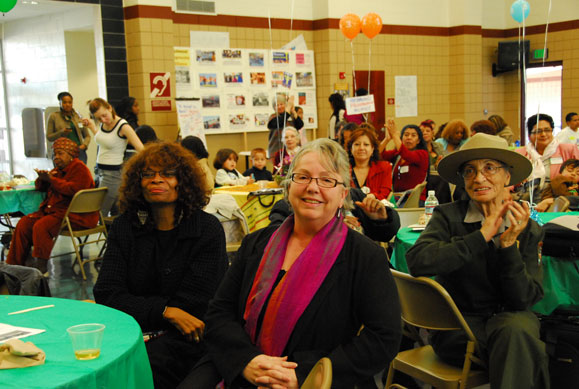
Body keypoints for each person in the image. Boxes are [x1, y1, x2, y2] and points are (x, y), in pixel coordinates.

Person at [182, 138, 401, 388]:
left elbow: (384, 337)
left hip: (318, 378)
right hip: (240, 366)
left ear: (342, 195)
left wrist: (304, 374)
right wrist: (247, 361)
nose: (312, 187)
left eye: (327, 180)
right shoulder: (257, 243)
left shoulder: (363, 256)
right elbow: (219, 312)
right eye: (303, 177)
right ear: (288, 188)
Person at [406, 133, 549, 389]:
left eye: (489, 168)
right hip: (458, 327)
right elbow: (418, 261)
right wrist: (482, 236)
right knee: (521, 341)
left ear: (508, 176)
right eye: (469, 171)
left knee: (515, 330)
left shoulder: (526, 228)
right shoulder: (448, 216)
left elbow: (523, 299)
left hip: (509, 322)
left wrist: (507, 248)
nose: (479, 178)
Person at [93, 142, 228, 389]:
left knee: (141, 371)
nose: (157, 180)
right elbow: (107, 293)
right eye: (148, 174)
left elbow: (194, 307)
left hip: (188, 342)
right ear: (138, 182)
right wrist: (166, 311)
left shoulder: (206, 230)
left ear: (183, 181)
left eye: (167, 173)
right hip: (131, 334)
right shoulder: (126, 227)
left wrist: (153, 310)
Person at [6, 138, 98, 275]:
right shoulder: (58, 170)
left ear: (71, 155)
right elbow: (42, 189)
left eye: (60, 153)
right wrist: (42, 179)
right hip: (55, 213)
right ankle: (13, 265)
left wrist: (52, 180)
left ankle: (41, 266)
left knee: (41, 226)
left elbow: (73, 189)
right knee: (23, 223)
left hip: (75, 216)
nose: (56, 158)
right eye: (55, 154)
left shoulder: (80, 169)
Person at [84, 98, 144, 217]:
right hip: (100, 171)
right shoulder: (103, 124)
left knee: (101, 213)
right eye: (99, 118)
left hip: (113, 174)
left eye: (104, 115)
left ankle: (112, 234)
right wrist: (92, 127)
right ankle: (116, 233)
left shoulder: (123, 126)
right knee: (114, 211)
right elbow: (105, 141)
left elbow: (141, 149)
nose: (103, 120)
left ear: (110, 108)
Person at [515, 113, 579, 203]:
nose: (543, 134)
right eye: (538, 131)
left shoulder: (568, 149)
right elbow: (509, 181)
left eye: (547, 130)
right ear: (529, 135)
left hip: (559, 201)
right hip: (525, 201)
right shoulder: (520, 153)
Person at [380, 120, 429, 202]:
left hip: (414, 199)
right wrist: (387, 139)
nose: (409, 137)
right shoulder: (397, 154)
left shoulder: (422, 154)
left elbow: (407, 155)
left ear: (418, 140)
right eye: (406, 135)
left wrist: (395, 135)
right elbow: (378, 154)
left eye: (413, 135)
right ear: (402, 138)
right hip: (396, 198)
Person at [46, 92, 91, 164]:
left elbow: (87, 136)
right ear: (60, 103)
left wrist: (84, 145)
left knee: (80, 173)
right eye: (64, 102)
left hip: (78, 151)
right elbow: (49, 137)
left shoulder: (78, 116)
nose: (67, 105)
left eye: (70, 102)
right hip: (61, 153)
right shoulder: (54, 116)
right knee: (63, 174)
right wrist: (61, 132)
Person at [348, 128, 392, 200]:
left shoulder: (384, 167)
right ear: (351, 149)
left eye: (366, 144)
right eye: (357, 144)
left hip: (375, 209)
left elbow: (385, 193)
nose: (361, 148)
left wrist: (373, 197)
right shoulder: (343, 169)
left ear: (372, 149)